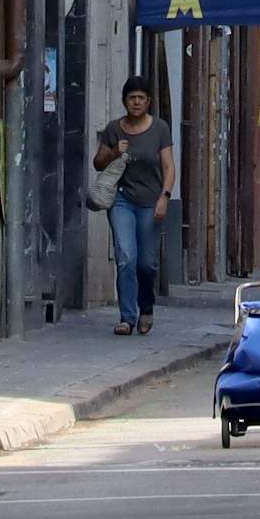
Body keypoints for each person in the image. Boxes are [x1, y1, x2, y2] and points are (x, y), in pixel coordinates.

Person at [98, 78, 173, 334]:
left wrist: (165, 196)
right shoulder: (113, 129)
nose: (137, 102)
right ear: (124, 101)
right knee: (126, 257)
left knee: (146, 263)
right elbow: (98, 163)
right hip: (122, 200)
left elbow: (168, 167)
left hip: (151, 202)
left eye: (141, 97)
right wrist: (113, 152)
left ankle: (147, 307)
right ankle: (127, 317)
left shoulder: (159, 129)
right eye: (132, 98)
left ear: (148, 101)